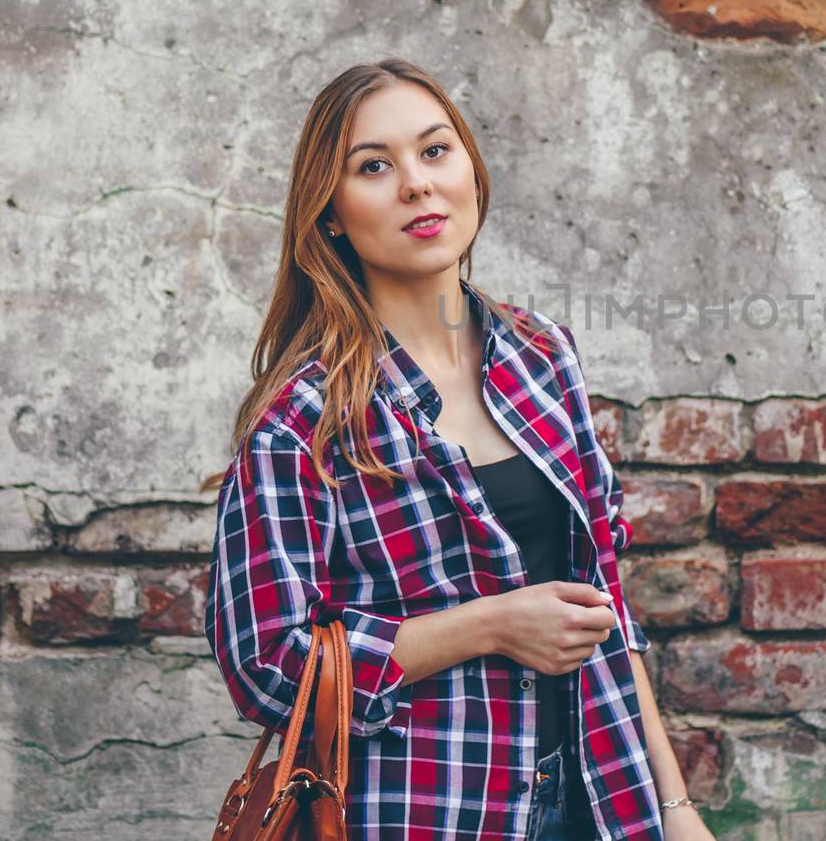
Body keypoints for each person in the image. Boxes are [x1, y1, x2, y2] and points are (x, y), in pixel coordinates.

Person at [201, 58, 713, 841]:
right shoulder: (303, 419)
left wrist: (675, 812)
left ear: (471, 168)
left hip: (598, 801)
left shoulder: (543, 357)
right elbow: (264, 663)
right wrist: (488, 626)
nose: (416, 184)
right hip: (426, 813)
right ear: (330, 212)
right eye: (374, 167)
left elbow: (603, 597)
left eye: (435, 151)